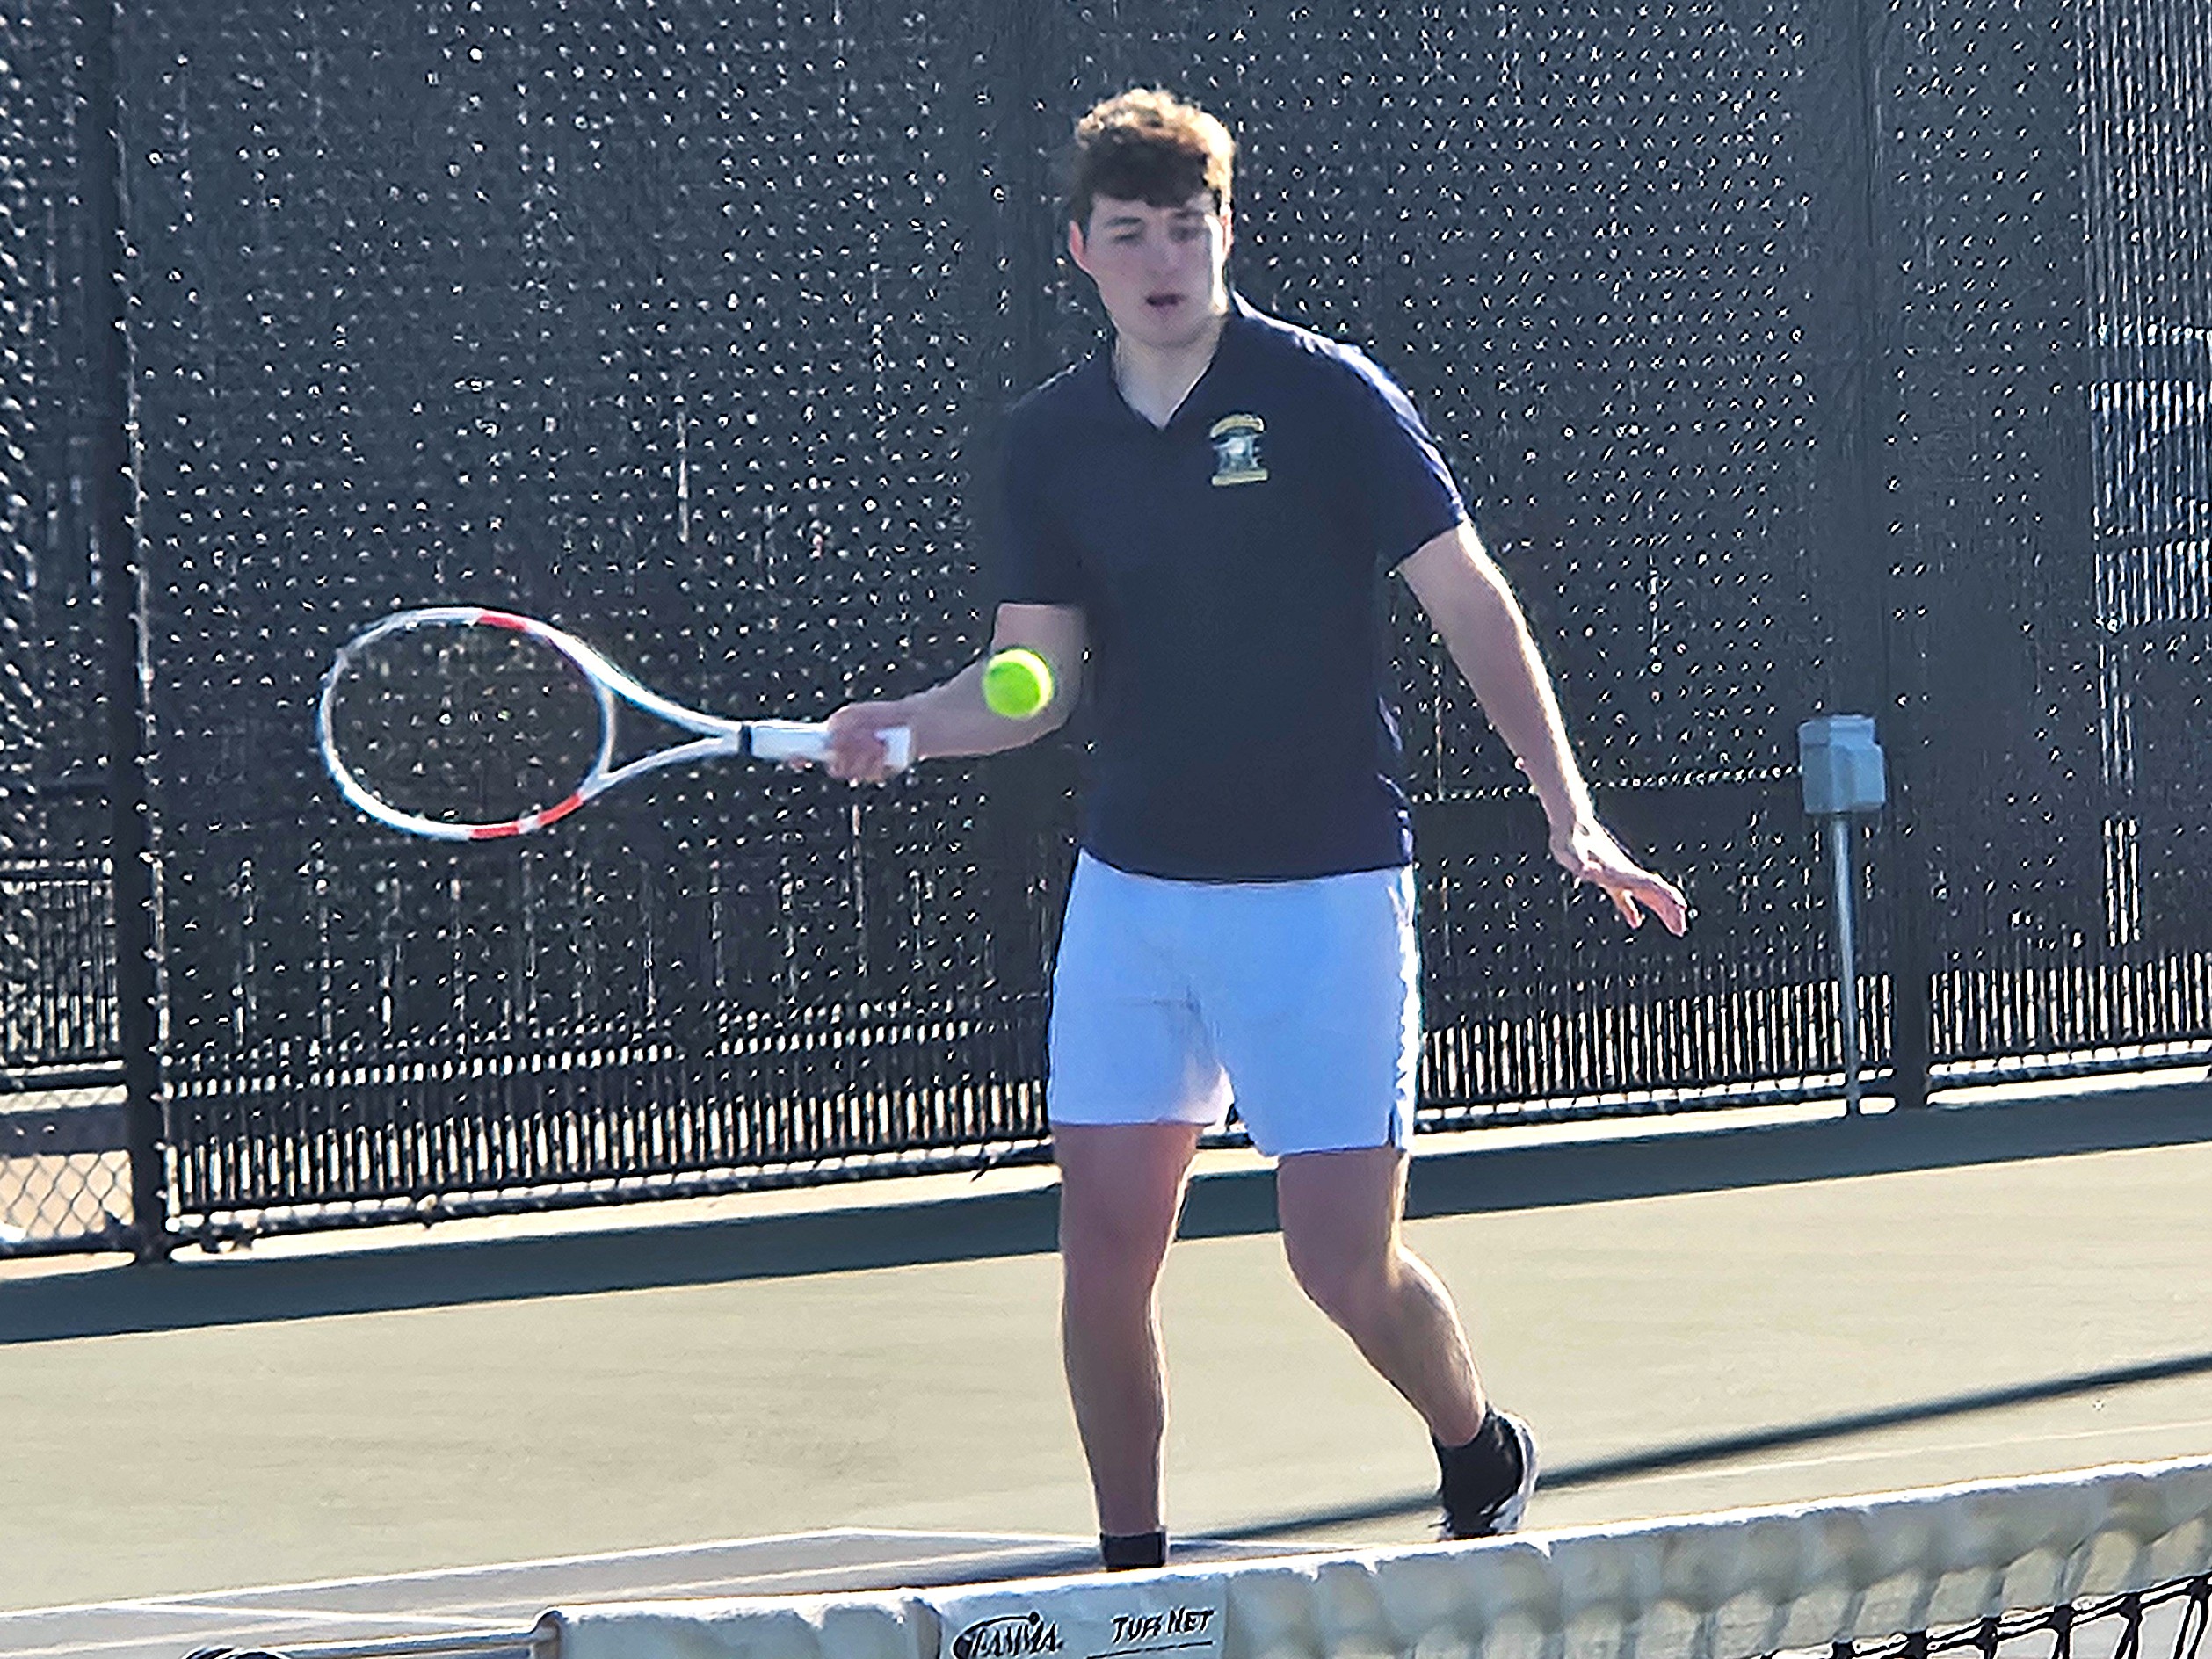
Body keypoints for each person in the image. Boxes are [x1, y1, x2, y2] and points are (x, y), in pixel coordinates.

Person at [811, 88, 1689, 1568]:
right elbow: (1034, 678)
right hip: (1136, 900)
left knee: (1338, 1265)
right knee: (1102, 1255)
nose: (1164, 257)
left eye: (1188, 225)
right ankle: (1130, 1574)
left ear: (1225, 230)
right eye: (1131, 232)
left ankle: (1478, 1443)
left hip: (1322, 892)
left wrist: (1569, 812)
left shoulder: (1324, 394)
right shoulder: (1050, 441)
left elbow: (1469, 598)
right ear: (1079, 250)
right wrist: (912, 718)